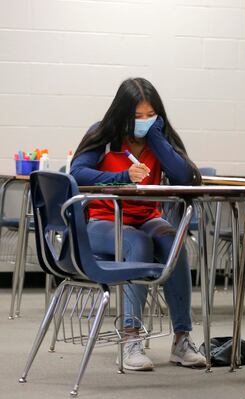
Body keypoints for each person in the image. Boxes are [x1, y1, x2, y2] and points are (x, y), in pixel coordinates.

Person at [70, 77, 205, 371]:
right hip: (103, 222)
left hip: (146, 217)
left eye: (150, 115)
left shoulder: (160, 136)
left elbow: (185, 178)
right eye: (137, 116)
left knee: (174, 241)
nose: (144, 122)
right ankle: (130, 339)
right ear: (123, 113)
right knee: (138, 242)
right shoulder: (104, 134)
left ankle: (182, 338)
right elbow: (77, 173)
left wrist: (156, 138)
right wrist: (122, 177)